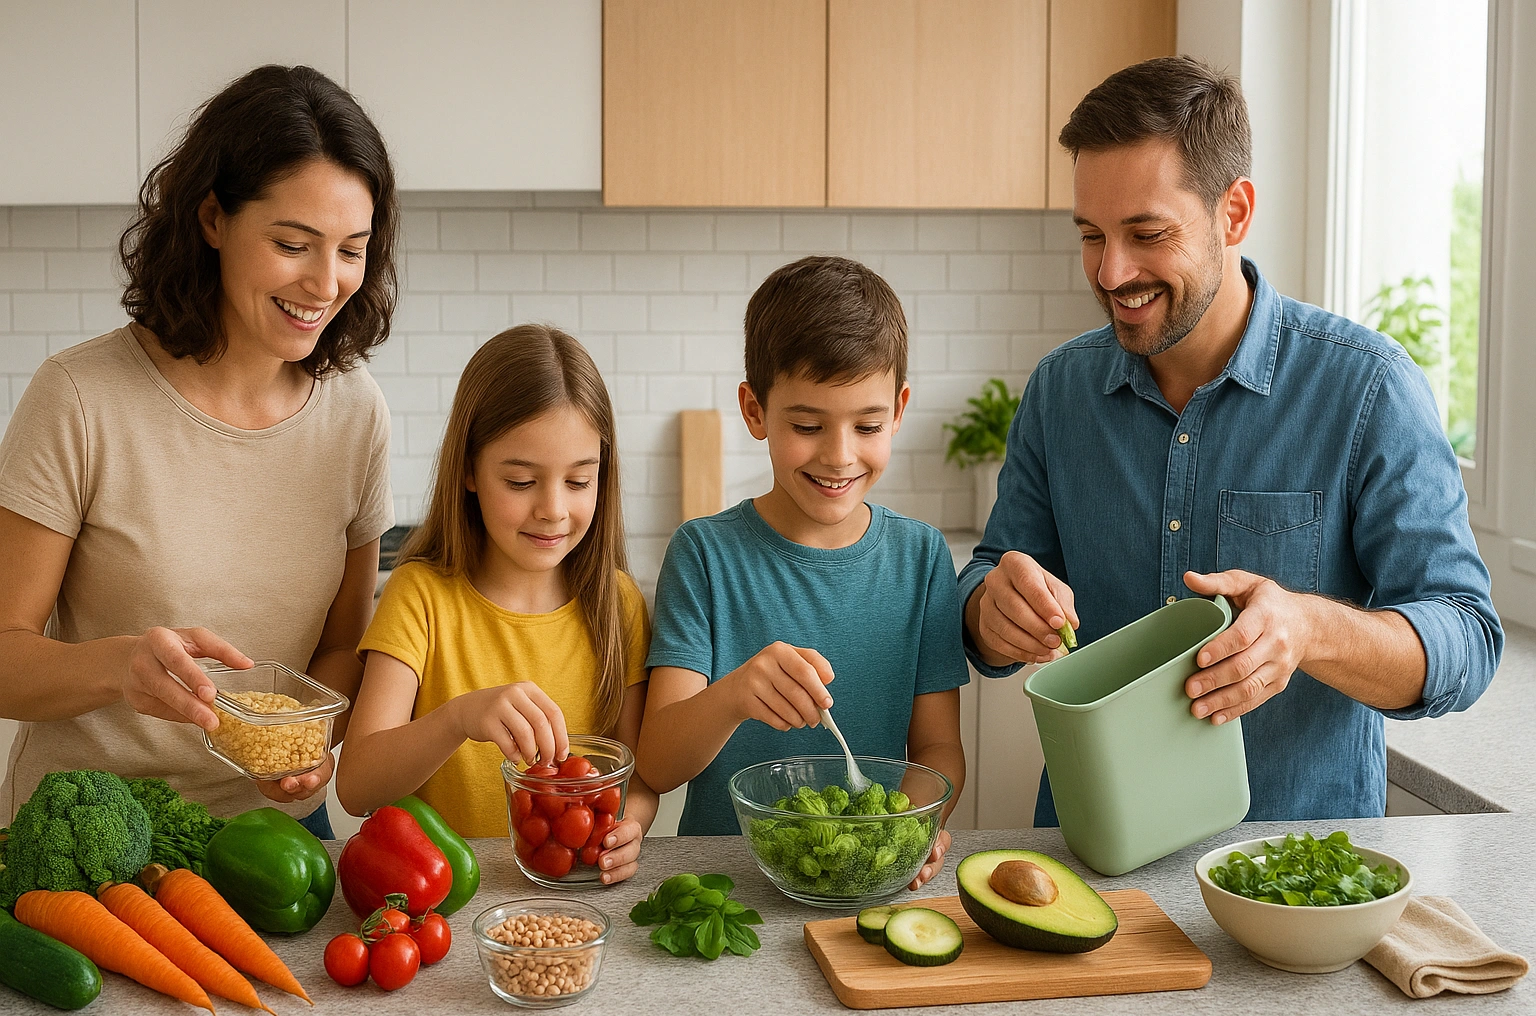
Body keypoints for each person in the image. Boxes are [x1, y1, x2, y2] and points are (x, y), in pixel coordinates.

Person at [960, 57, 1503, 824]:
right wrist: (991, 608)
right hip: (1090, 866)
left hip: (1292, 875)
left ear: (1235, 213)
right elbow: (987, 582)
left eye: (1146, 234)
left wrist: (1309, 627)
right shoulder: (1061, 390)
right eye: (1091, 235)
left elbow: (1467, 637)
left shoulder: (1367, 388)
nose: (1112, 271)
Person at [0, 65, 399, 834]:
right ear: (212, 218)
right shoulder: (81, 397)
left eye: (352, 249)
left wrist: (314, 742)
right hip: (89, 838)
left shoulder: (356, 414)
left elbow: (344, 645)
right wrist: (117, 668)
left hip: (273, 840)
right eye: (293, 243)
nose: (325, 283)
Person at [637, 256, 968, 889]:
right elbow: (656, 763)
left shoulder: (922, 559)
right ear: (755, 411)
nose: (839, 456)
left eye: (867, 425)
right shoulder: (704, 556)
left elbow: (937, 749)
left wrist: (913, 823)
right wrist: (735, 695)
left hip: (864, 881)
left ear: (899, 411)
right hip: (723, 888)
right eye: (808, 425)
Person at [335, 325, 655, 883]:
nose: (553, 509)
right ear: (468, 471)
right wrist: (459, 716)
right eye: (522, 481)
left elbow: (638, 775)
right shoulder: (421, 596)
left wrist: (634, 825)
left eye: (579, 481)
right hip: (442, 903)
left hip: (580, 902)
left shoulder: (618, 603)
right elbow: (357, 784)